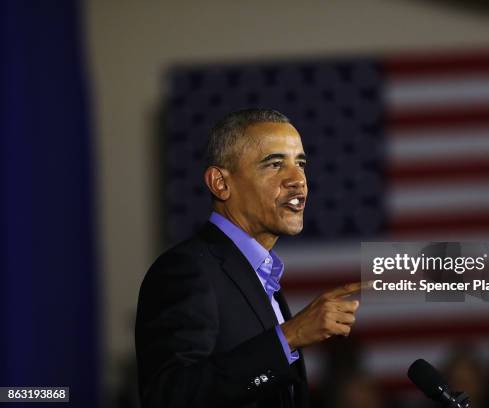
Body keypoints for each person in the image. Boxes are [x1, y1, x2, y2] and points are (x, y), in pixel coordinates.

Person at [135, 109, 362, 408]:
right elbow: (171, 396)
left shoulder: (259, 275)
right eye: (275, 164)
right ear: (220, 183)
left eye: (301, 164)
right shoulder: (186, 271)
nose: (298, 180)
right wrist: (290, 336)